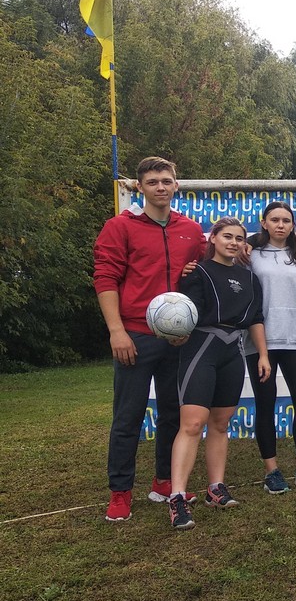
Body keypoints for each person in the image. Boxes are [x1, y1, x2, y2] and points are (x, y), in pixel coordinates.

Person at [93, 156, 206, 522]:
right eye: (153, 181)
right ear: (139, 187)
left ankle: (162, 481)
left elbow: (206, 273)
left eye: (167, 180)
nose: (160, 186)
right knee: (128, 417)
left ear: (176, 185)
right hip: (135, 337)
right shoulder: (120, 226)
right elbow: (106, 278)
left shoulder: (190, 229)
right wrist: (117, 331)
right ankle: (120, 492)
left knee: (173, 413)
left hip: (179, 339)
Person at [167, 218, 270, 529]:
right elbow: (182, 315)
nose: (233, 242)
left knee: (221, 423)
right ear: (212, 238)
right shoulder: (196, 272)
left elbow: (255, 318)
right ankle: (177, 498)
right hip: (201, 348)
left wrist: (263, 354)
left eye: (239, 238)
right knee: (192, 424)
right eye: (227, 236)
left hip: (233, 350)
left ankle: (216, 488)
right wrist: (176, 334)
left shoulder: (249, 278)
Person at [245, 202, 296, 494]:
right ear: (263, 223)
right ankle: (272, 472)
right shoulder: (249, 255)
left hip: (294, 340)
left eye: (286, 220)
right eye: (275, 220)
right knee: (265, 407)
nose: (281, 225)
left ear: (293, 225)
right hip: (259, 344)